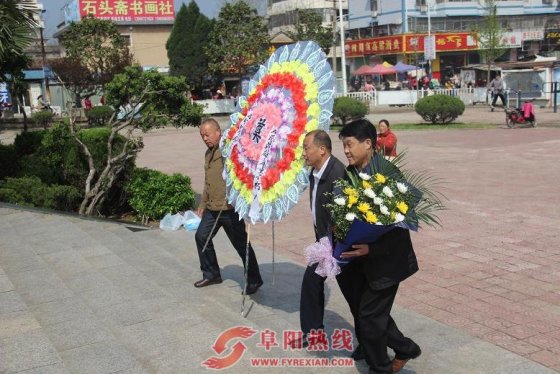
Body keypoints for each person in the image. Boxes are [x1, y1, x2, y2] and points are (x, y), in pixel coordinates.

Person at [336, 119, 421, 374]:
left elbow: (401, 225)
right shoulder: (351, 172)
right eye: (344, 145)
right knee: (372, 314)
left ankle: (380, 367)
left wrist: (371, 249)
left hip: (387, 263)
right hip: (362, 261)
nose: (346, 151)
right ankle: (404, 348)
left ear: (368, 144)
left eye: (349, 145)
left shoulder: (386, 173)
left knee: (370, 317)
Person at [194, 118, 264, 295]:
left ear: (218, 132)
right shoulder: (207, 154)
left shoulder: (229, 152)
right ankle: (211, 273)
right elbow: (207, 181)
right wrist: (202, 203)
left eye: (207, 135)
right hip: (212, 207)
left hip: (230, 209)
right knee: (201, 236)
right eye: (202, 136)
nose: (205, 138)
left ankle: (254, 280)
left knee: (242, 245)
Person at [297, 130, 346, 347]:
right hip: (325, 242)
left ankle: (380, 342)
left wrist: (332, 242)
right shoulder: (315, 171)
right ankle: (313, 333)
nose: (304, 153)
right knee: (311, 283)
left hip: (339, 244)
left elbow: (343, 215)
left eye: (307, 148)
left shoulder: (337, 174)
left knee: (357, 296)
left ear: (322, 149)